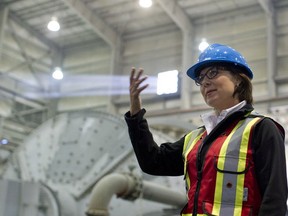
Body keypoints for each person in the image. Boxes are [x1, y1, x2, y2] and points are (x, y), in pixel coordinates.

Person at [124, 43, 287, 216]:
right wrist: (136, 114)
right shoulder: (196, 138)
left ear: (238, 79)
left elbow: (274, 199)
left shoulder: (261, 129)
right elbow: (153, 162)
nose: (205, 82)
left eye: (213, 72)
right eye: (200, 78)